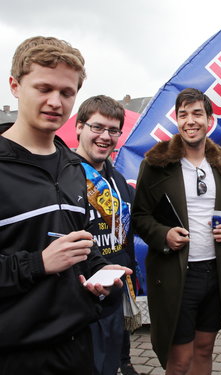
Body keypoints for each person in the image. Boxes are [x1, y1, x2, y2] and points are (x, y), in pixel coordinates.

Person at [0, 36, 130, 375]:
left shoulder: (74, 168)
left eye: (67, 93)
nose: (56, 102)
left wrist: (103, 277)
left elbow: (83, 245)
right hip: (14, 355)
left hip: (76, 348)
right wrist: (38, 263)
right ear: (15, 86)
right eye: (43, 88)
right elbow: (44, 260)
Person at [132, 88, 221, 374]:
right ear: (177, 120)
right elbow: (140, 217)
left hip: (215, 274)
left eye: (197, 114)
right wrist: (164, 235)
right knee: (179, 360)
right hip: (177, 275)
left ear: (209, 121)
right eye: (183, 115)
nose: (190, 121)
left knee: (204, 351)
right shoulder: (156, 165)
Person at [74, 95, 142, 375]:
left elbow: (140, 222)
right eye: (97, 127)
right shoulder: (63, 175)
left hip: (114, 293)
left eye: (113, 130)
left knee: (110, 365)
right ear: (79, 127)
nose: (105, 137)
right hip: (79, 298)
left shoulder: (119, 182)